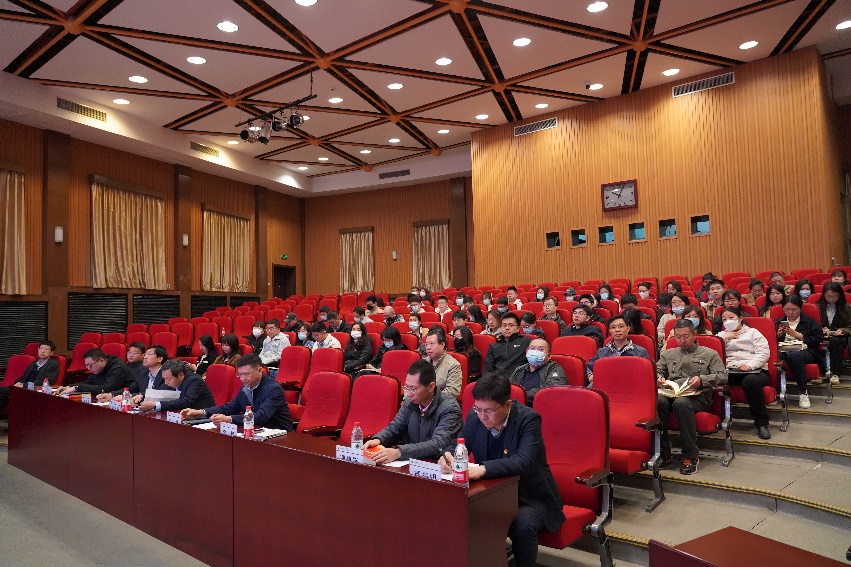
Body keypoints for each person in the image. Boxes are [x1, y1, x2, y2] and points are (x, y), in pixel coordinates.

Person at [439, 374, 565, 567]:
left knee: (522, 525)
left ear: (507, 404)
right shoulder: (475, 417)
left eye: (488, 411)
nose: (482, 416)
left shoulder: (528, 419)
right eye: (478, 409)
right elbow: (460, 441)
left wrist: (483, 469)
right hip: (491, 493)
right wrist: (447, 455)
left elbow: (524, 461)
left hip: (529, 496)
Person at [656, 320, 727, 475]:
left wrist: (702, 380)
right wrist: (659, 378)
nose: (682, 340)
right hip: (672, 393)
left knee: (681, 403)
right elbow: (657, 370)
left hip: (698, 396)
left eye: (685, 336)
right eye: (678, 337)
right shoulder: (669, 354)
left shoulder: (709, 353)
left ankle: (690, 455)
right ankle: (663, 452)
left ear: (694, 335)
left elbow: (723, 376)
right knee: (658, 401)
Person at [363, 359, 462, 464]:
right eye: (407, 387)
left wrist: (399, 452)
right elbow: (395, 428)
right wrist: (379, 439)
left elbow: (438, 444)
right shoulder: (410, 402)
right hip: (411, 462)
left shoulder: (450, 408)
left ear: (431, 387)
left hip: (437, 465)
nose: (409, 393)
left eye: (414, 389)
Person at [180, 353, 293, 430]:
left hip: (280, 435)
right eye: (240, 374)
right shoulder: (245, 387)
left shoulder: (273, 389)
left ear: (259, 370)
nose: (242, 378)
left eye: (246, 374)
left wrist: (229, 419)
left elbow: (261, 416)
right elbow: (229, 408)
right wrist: (200, 412)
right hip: (255, 432)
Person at [717, 308, 771, 439]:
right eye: (724, 319)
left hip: (755, 371)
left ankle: (761, 424)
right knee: (712, 378)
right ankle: (717, 421)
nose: (728, 321)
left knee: (750, 381)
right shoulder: (721, 335)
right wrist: (724, 338)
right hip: (731, 370)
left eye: (731, 318)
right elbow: (712, 352)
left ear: (740, 318)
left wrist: (750, 365)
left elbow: (764, 353)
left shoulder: (753, 333)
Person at [776, 295, 825, 409]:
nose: (790, 313)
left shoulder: (809, 322)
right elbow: (767, 342)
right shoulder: (778, 322)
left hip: (806, 351)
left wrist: (798, 335)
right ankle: (777, 392)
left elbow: (818, 340)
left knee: (795, 356)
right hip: (784, 349)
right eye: (787, 310)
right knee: (775, 356)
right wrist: (777, 335)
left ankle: (803, 392)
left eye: (794, 310)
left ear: (800, 309)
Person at [586, 315, 652, 381]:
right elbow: (588, 367)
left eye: (621, 326)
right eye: (613, 327)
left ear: (628, 328)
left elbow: (647, 374)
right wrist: (590, 375)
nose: (617, 330)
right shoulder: (602, 352)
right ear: (609, 331)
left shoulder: (640, 352)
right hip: (606, 383)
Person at [0, 340, 60, 412]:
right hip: (23, 388)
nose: (42, 351)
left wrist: (24, 385)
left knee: (2, 392)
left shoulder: (53, 364)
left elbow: (47, 381)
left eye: (46, 349)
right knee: (3, 392)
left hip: (34, 391)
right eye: (41, 348)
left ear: (51, 352)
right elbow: (23, 377)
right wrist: (18, 382)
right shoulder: (33, 363)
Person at [138, 359, 215, 412]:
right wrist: (142, 397)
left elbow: (186, 402)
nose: (166, 382)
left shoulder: (194, 381)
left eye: (168, 379)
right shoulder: (171, 379)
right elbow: (159, 392)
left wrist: (155, 405)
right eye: (164, 379)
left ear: (181, 375)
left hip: (203, 418)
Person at [99, 344, 167, 403]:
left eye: (149, 354)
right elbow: (131, 389)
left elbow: (159, 394)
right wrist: (111, 395)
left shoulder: (166, 375)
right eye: (145, 354)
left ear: (160, 359)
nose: (145, 357)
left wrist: (131, 396)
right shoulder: (143, 373)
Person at [508, 338, 566, 406]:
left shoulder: (554, 368)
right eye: (532, 348)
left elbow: (552, 389)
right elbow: (508, 388)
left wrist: (521, 395)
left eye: (541, 349)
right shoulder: (520, 369)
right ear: (527, 352)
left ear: (549, 356)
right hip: (516, 406)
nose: (535, 352)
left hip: (541, 406)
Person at [56, 348, 134, 396]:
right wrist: (69, 386)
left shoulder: (119, 368)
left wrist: (77, 388)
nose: (89, 369)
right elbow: (88, 382)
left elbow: (106, 389)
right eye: (87, 366)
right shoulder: (100, 367)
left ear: (101, 361)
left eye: (90, 365)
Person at [816, 282, 851, 383]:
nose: (832, 299)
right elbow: (811, 325)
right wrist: (820, 329)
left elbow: (850, 326)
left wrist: (843, 330)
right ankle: (820, 373)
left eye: (835, 296)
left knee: (835, 341)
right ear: (824, 295)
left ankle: (835, 374)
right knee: (813, 341)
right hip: (821, 335)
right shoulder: (817, 307)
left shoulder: (847, 308)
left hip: (840, 336)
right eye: (829, 296)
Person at [483, 312, 533, 379]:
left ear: (518, 328)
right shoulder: (494, 346)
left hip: (519, 380)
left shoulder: (527, 342)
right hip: (497, 381)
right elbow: (488, 368)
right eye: (504, 325)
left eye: (511, 325)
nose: (507, 328)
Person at [423, 327, 463, 398]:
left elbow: (452, 392)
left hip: (441, 402)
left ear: (442, 344)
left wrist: (429, 398)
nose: (428, 347)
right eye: (426, 344)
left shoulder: (453, 365)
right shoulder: (423, 363)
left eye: (432, 344)